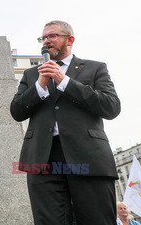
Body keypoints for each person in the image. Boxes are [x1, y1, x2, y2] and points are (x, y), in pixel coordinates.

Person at [11, 20, 121, 225]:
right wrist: (39, 86)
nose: (46, 41)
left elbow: (111, 107)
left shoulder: (95, 68)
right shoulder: (31, 74)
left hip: (87, 157)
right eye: (43, 38)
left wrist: (65, 81)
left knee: (96, 219)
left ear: (69, 39)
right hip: (43, 158)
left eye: (52, 36)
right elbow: (17, 112)